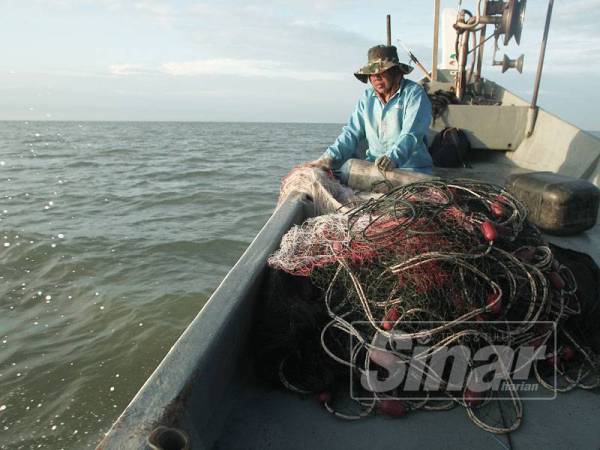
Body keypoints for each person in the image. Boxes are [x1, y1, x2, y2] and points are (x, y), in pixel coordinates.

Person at [307, 45, 433, 179]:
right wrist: (327, 159)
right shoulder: (367, 98)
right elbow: (351, 134)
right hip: (374, 169)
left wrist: (392, 159)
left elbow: (411, 134)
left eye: (382, 72)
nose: (376, 77)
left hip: (411, 170)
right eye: (372, 73)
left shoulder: (414, 93)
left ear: (396, 72)